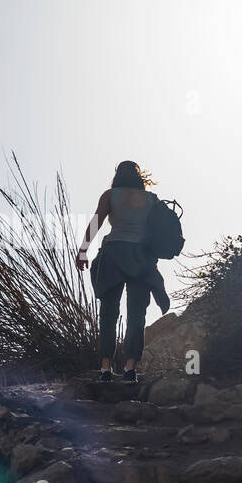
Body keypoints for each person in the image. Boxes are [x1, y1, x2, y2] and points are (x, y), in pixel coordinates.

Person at [75, 161, 171, 382]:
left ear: (118, 176)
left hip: (113, 256)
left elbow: (96, 222)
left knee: (108, 314)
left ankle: (106, 369)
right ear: (139, 177)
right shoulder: (152, 199)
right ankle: (130, 369)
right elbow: (159, 229)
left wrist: (82, 251)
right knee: (137, 315)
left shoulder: (110, 195)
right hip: (141, 259)